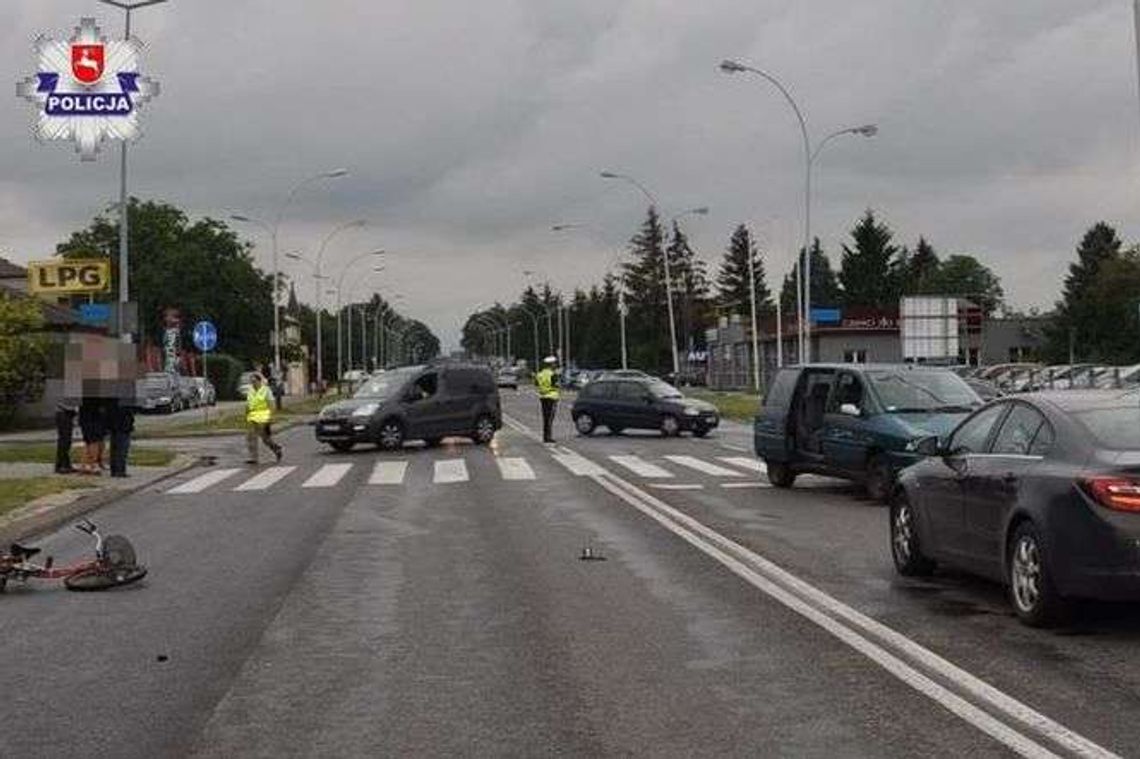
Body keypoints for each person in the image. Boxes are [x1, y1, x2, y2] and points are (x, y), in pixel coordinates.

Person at [245, 372, 283, 465]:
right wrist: (246, 413)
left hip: (263, 418)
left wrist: (270, 417)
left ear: (259, 381)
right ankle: (253, 457)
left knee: (265, 439)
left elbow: (271, 404)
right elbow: (248, 403)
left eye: (254, 381)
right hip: (252, 417)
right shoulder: (250, 391)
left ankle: (276, 448)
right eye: (251, 381)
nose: (253, 383)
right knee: (250, 437)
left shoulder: (266, 390)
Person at [77, 396, 109, 475]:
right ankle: (92, 464)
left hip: (87, 417)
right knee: (93, 441)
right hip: (93, 418)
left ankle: (86, 464)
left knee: (89, 441)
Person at [107, 397, 136, 478]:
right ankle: (120, 470)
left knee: (115, 447)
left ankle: (114, 469)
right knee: (122, 448)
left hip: (114, 422)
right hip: (123, 423)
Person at [535, 356, 561, 443]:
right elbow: (556, 385)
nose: (555, 365)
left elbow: (536, 384)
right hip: (552, 397)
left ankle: (545, 436)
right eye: (554, 364)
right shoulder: (553, 374)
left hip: (543, 397)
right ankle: (548, 437)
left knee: (545, 418)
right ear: (551, 365)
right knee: (550, 419)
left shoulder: (540, 374)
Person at [54, 398, 78, 474]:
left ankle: (66, 464)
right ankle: (61, 465)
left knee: (67, 441)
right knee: (64, 440)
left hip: (66, 413)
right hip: (63, 413)